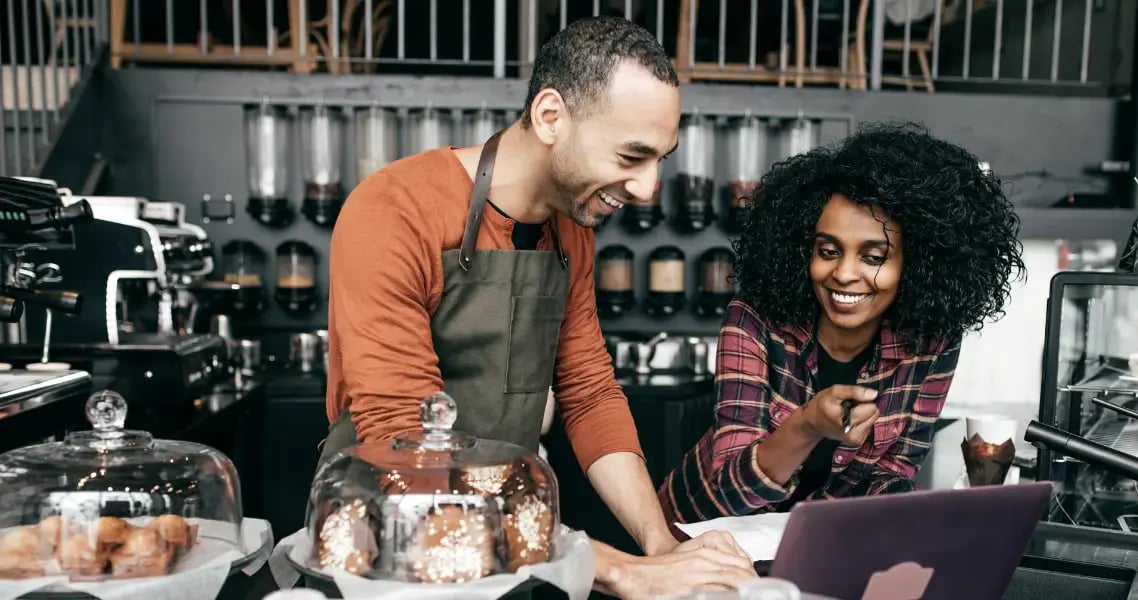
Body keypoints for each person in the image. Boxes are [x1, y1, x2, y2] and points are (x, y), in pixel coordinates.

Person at [324, 15, 756, 598]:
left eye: (661, 159)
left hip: (512, 550)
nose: (650, 189)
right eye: (632, 156)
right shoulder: (394, 210)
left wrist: (662, 546)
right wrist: (619, 569)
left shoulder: (570, 230)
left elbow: (588, 390)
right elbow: (408, 449)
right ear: (551, 116)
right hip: (387, 547)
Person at [659, 122, 1026, 524]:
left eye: (873, 257)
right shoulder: (754, 319)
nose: (844, 274)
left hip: (815, 541)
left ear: (918, 264)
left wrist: (932, 512)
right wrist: (808, 424)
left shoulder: (931, 340)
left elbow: (892, 471)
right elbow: (730, 490)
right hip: (698, 534)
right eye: (828, 250)